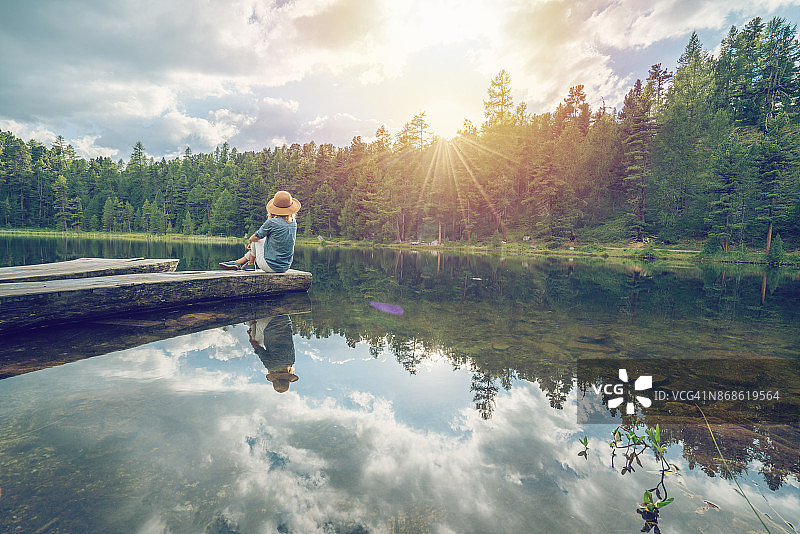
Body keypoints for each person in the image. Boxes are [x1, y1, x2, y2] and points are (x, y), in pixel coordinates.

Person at [219, 191, 301, 273]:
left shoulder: (272, 222)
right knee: (261, 239)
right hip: (285, 266)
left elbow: (256, 237)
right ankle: (239, 262)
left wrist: (250, 240)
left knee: (256, 239)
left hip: (270, 266)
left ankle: (250, 263)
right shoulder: (293, 223)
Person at [248, 315, 298, 393]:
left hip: (285, 319)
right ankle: (252, 321)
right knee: (256, 340)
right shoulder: (271, 366)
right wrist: (251, 338)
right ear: (275, 377)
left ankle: (254, 323)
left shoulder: (291, 361)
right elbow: (257, 347)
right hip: (269, 322)